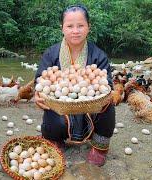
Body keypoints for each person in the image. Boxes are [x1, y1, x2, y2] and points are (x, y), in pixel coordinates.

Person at [34, 5, 115, 166]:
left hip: (91, 109)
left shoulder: (98, 55)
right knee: (51, 103)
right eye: (70, 26)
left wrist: (104, 93)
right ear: (62, 28)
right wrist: (37, 95)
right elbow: (40, 81)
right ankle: (55, 139)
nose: (75, 31)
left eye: (81, 26)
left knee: (107, 101)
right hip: (61, 110)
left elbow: (108, 84)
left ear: (88, 27)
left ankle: (99, 147)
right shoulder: (51, 53)